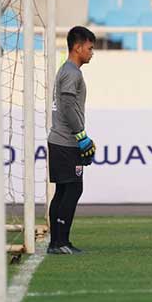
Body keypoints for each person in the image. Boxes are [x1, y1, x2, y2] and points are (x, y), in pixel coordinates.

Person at [46, 26, 96, 255]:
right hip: (66, 142)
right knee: (73, 189)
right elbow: (66, 106)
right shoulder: (72, 73)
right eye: (89, 48)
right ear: (77, 47)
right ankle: (60, 241)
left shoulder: (67, 71)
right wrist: (81, 135)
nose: (92, 52)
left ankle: (57, 241)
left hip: (61, 140)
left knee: (64, 190)